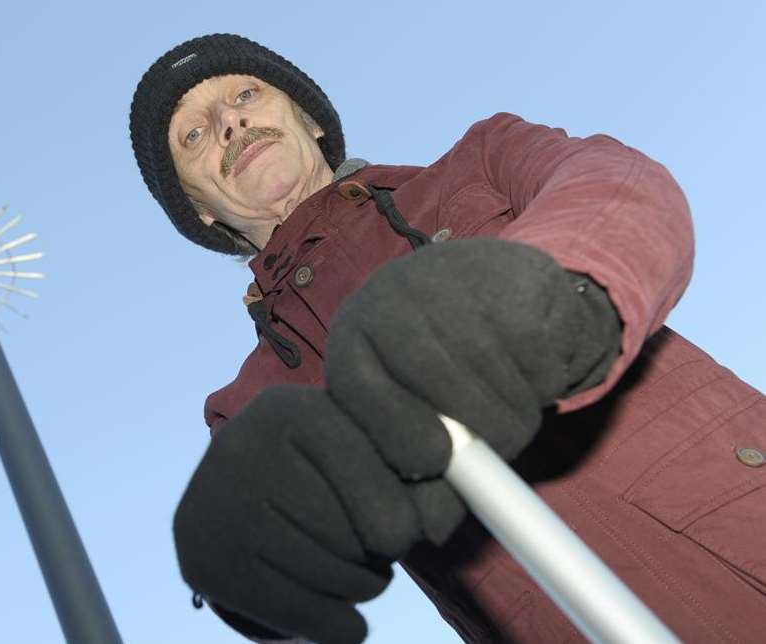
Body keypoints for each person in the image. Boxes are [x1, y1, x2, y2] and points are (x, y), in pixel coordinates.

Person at [129, 34, 766, 643]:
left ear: (309, 116)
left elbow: (617, 183)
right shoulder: (246, 406)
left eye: (245, 96)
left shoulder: (483, 159)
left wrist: (552, 295)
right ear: (200, 212)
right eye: (194, 134)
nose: (231, 125)